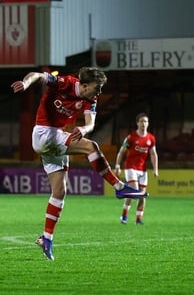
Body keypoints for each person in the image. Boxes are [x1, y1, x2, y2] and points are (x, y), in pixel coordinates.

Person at [11, 67, 148, 261]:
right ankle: (118, 187)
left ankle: (46, 239)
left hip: (54, 140)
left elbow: (91, 123)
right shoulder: (65, 83)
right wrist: (25, 83)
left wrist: (84, 129)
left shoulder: (90, 98)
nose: (99, 92)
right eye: (97, 88)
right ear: (84, 86)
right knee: (91, 147)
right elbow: (38, 76)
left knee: (59, 192)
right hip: (43, 133)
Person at [114, 112, 159, 225]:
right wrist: (118, 166)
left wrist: (155, 169)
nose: (143, 123)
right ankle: (124, 215)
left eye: (145, 121)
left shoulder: (151, 138)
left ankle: (138, 219)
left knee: (142, 195)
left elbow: (153, 154)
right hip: (130, 167)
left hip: (142, 170)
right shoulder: (131, 137)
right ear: (137, 123)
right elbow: (121, 152)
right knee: (135, 191)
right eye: (141, 121)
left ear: (148, 124)